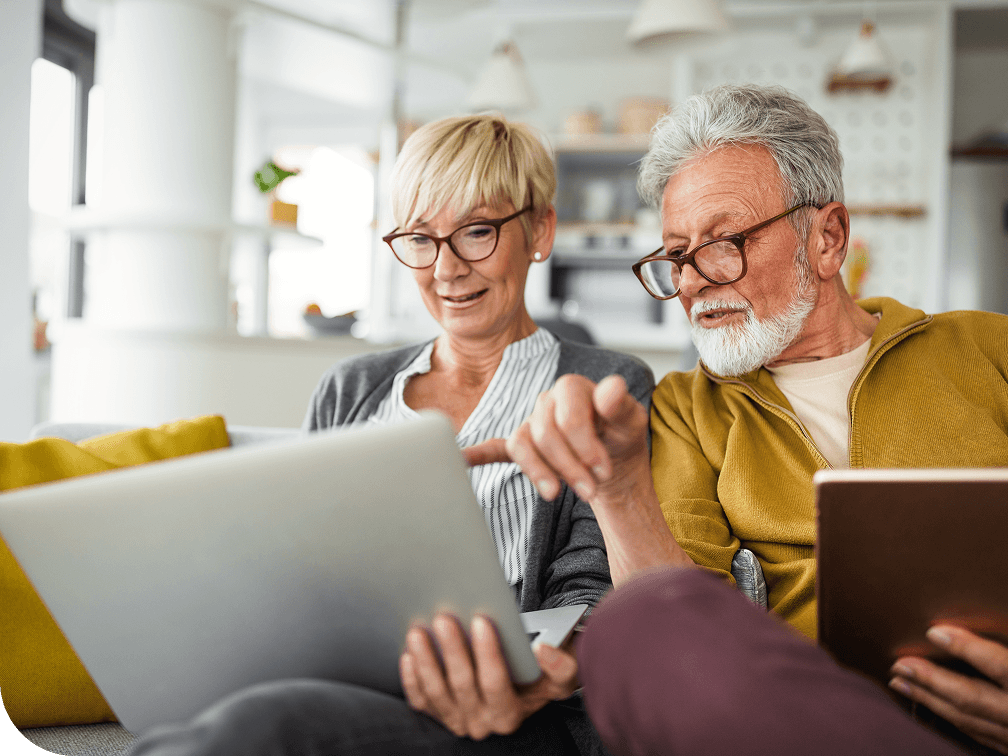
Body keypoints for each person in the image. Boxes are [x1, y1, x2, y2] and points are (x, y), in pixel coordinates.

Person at [466, 84, 1008, 754]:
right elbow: (676, 641)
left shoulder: (988, 349)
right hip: (787, 730)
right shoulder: (685, 411)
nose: (692, 280)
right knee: (634, 626)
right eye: (675, 254)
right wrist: (618, 488)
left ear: (828, 238)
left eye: (723, 242)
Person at [127, 113, 653, 756]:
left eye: (478, 232)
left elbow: (594, 595)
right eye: (420, 239)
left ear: (539, 230)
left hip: (514, 714)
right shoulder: (351, 388)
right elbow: (298, 559)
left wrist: (531, 673)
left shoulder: (604, 386)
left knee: (261, 729)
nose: (446, 268)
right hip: (357, 682)